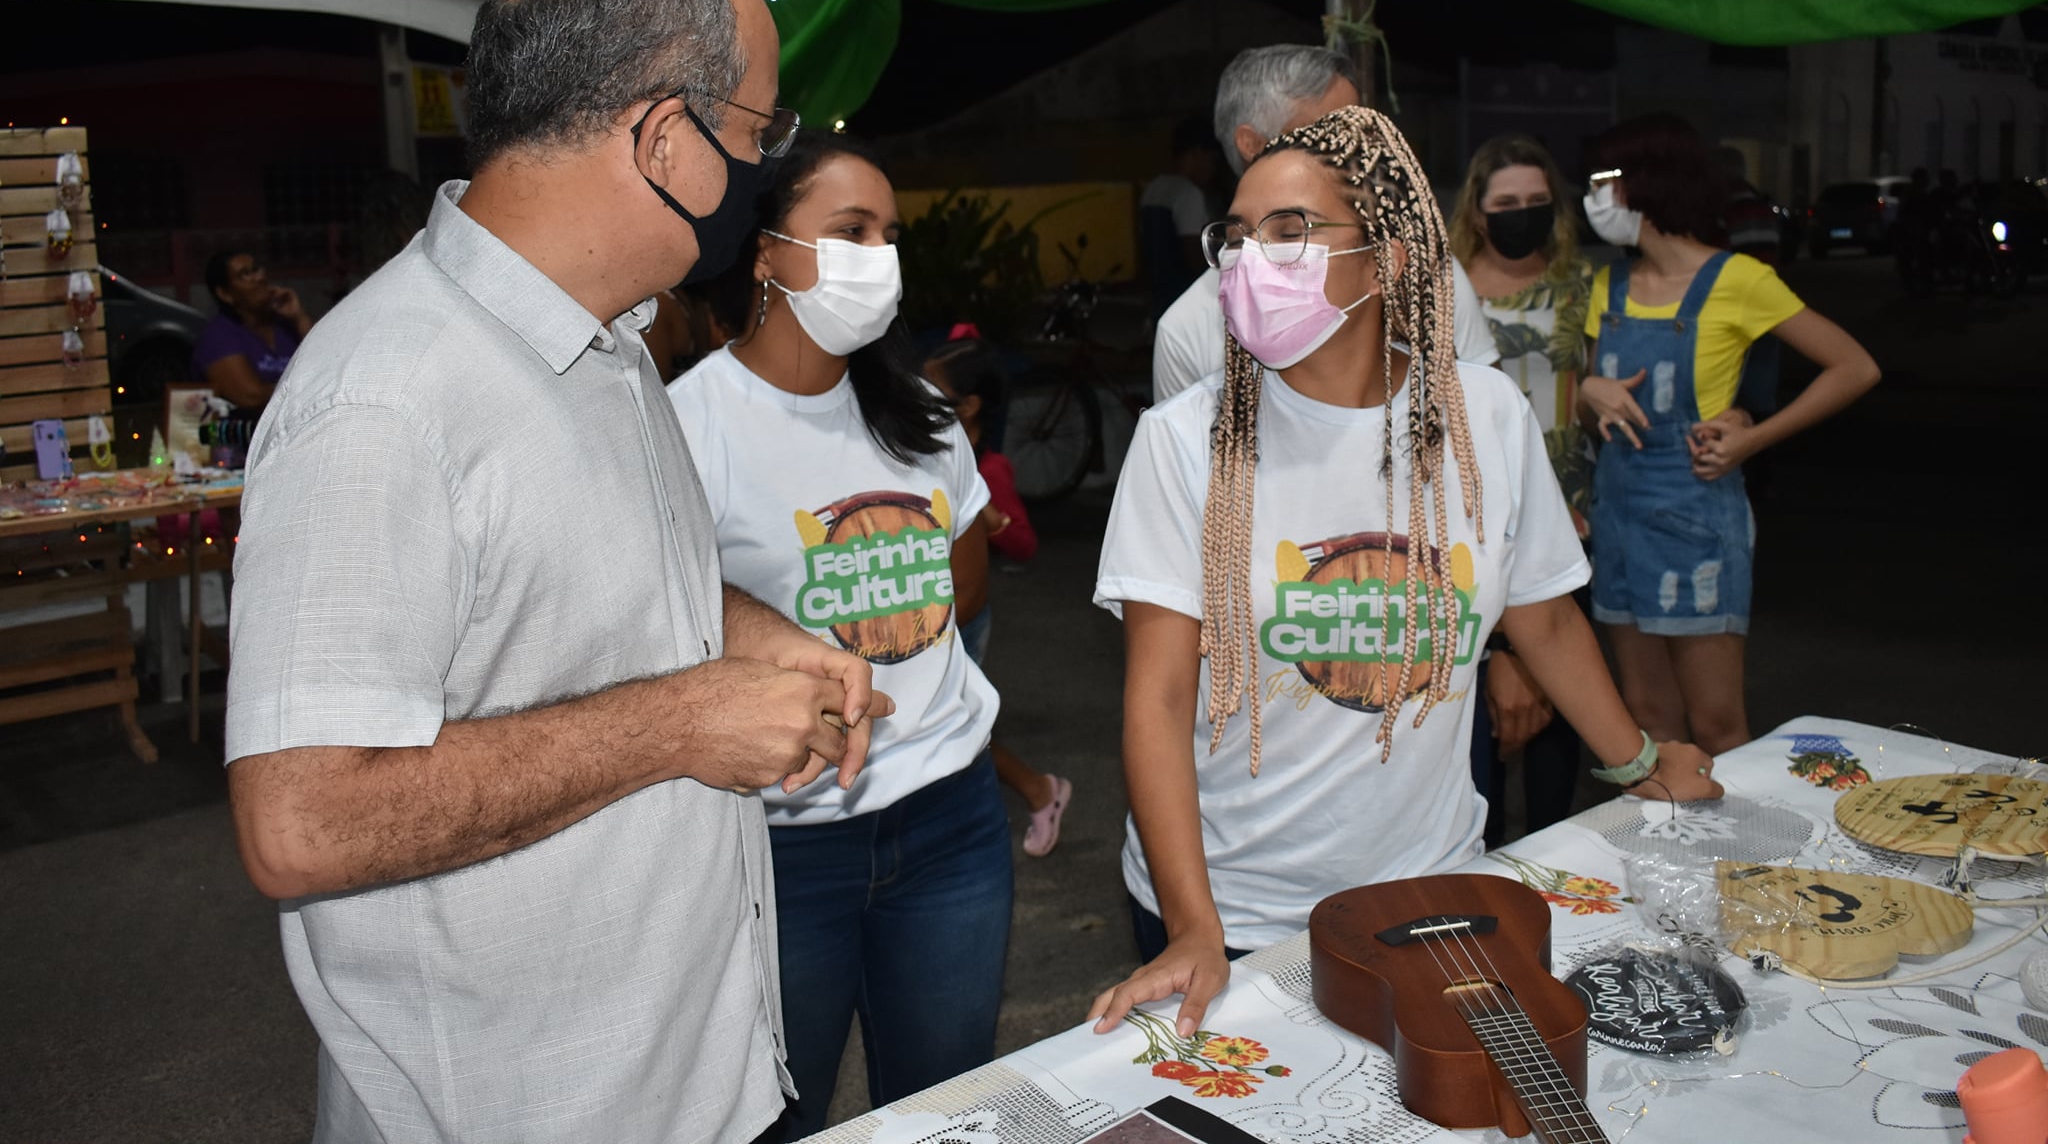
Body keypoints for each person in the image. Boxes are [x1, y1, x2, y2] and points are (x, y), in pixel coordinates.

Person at [223, 0, 892, 1144]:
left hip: (690, 1081)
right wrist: (684, 720)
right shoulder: (381, 400)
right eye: (756, 132)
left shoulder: (611, 340)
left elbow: (592, 601)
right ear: (660, 136)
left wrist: (747, 641)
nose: (761, 166)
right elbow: (300, 821)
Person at [1091, 106, 1721, 1038]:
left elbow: (1544, 618)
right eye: (1235, 233)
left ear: (1385, 260)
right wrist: (1193, 925)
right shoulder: (1184, 439)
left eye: (1289, 230)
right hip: (1237, 906)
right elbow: (1156, 696)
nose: (1249, 256)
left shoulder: (1486, 419)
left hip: (1433, 884)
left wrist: (1636, 761)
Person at [669, 134, 1009, 1141]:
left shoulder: (924, 410)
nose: (877, 255)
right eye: (849, 231)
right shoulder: (689, 426)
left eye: (889, 235)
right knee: (779, 1116)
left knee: (943, 1112)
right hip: (782, 848)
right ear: (767, 253)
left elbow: (966, 570)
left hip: (949, 822)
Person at [1579, 113, 1880, 754]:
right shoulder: (1606, 285)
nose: (1593, 196)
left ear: (1650, 184)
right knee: (1645, 720)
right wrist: (1588, 390)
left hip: (1695, 515)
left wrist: (1754, 435)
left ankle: (1734, 857)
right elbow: (1588, 410)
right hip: (1618, 513)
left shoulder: (1739, 280)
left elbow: (1854, 367)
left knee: (1717, 727)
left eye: (1605, 180)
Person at [1151, 45, 1498, 402]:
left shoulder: (1425, 273)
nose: (1358, 154)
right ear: (1251, 145)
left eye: (1362, 133)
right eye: (1328, 135)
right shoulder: (1187, 332)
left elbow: (1486, 414)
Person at [1445, 133, 1594, 844]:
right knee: (1478, 713)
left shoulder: (1581, 288)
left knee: (1559, 707)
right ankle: (1487, 856)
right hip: (1473, 523)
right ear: (1477, 210)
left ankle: (1553, 855)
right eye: (1507, 203)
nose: (1523, 214)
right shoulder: (1447, 291)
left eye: (1538, 202)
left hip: (1570, 519)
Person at [925, 330, 1072, 858]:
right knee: (952, 723)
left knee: (954, 724)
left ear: (969, 406)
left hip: (961, 619)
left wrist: (990, 520)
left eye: (933, 390)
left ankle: (1039, 790)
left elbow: (1024, 542)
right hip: (939, 611)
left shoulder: (989, 469)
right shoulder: (934, 453)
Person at [192, 250, 314, 413]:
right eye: (245, 274)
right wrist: (312, 385)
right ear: (225, 294)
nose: (259, 278)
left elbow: (327, 364)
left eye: (256, 269)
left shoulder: (284, 325)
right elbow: (251, 396)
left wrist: (299, 317)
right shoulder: (219, 335)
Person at [1140, 117, 1222, 320]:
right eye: (1212, 160)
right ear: (1197, 154)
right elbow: (1194, 256)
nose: (1213, 170)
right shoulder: (1189, 194)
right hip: (1184, 302)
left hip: (1159, 302)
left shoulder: (1153, 188)